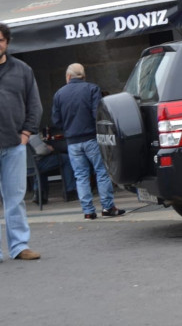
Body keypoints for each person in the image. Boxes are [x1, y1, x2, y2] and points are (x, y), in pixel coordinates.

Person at [52, 63, 125, 220]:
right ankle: (107, 207)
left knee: (80, 175)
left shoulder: (59, 94)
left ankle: (88, 211)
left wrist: (68, 127)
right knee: (102, 172)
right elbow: (96, 115)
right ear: (83, 76)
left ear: (68, 77)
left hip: (72, 141)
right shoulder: (92, 89)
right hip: (91, 138)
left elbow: (56, 121)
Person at [0, 23, 43, 261]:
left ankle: (18, 246)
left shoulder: (22, 70)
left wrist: (26, 134)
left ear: (7, 42)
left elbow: (34, 104)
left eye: (0, 40)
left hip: (14, 145)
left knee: (15, 199)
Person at [28, 133, 77, 204]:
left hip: (25, 168)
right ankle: (70, 192)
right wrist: (49, 148)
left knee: (40, 168)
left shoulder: (14, 136)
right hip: (37, 164)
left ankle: (39, 194)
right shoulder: (29, 135)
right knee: (66, 159)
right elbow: (42, 150)